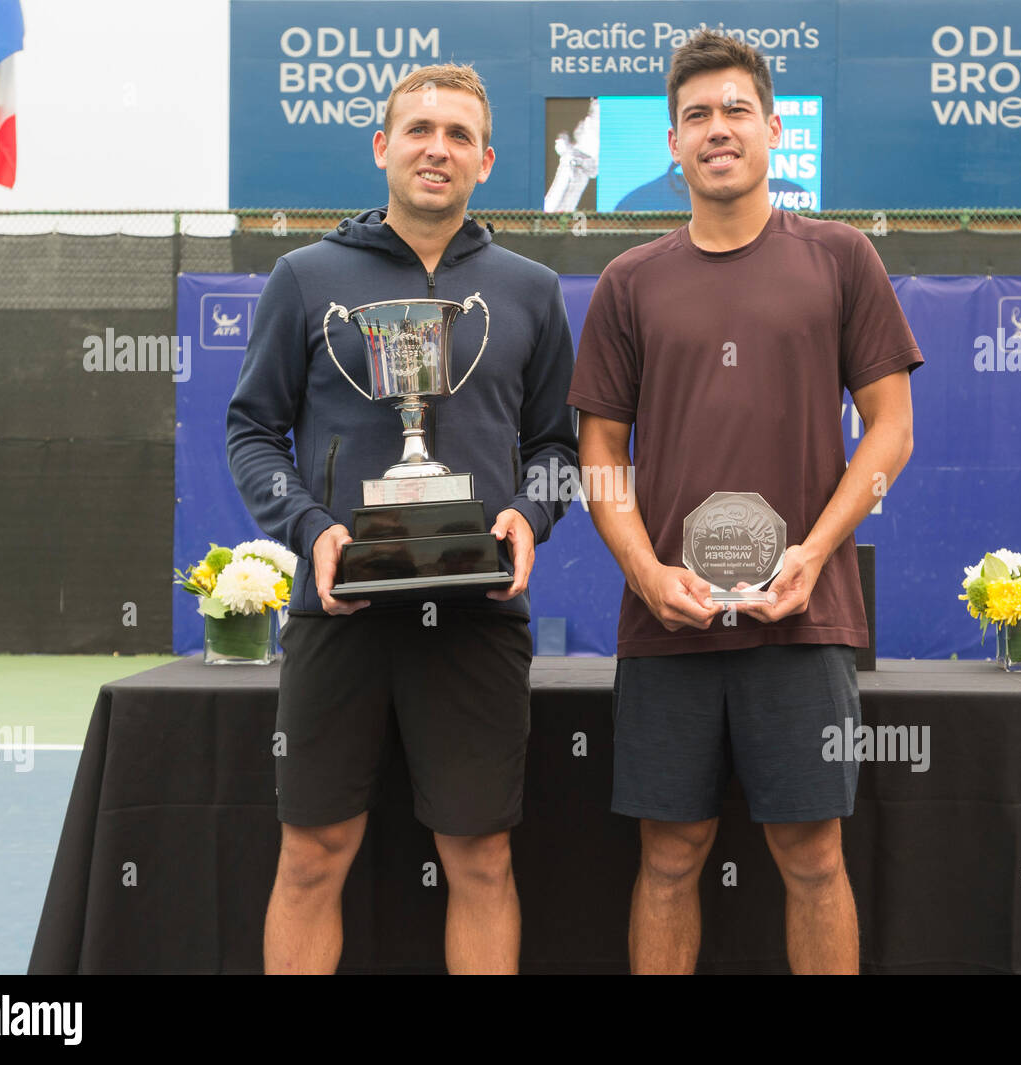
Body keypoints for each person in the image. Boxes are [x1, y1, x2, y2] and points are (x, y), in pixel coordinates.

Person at [567, 31, 922, 974]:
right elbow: (599, 452)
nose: (716, 129)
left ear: (772, 128)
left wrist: (813, 552)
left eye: (734, 110)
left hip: (805, 621)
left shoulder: (843, 258)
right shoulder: (628, 283)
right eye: (695, 117)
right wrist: (645, 572)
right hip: (666, 625)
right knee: (670, 855)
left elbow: (891, 431)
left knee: (812, 858)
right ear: (673, 147)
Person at [226, 63, 578, 974]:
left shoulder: (532, 291)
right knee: (311, 856)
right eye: (419, 129)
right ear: (382, 147)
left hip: (476, 613)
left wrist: (529, 519)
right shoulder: (305, 277)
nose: (438, 148)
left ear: (488, 161)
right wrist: (313, 530)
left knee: (482, 858)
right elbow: (253, 432)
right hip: (338, 611)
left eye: (459, 135)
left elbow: (556, 448)